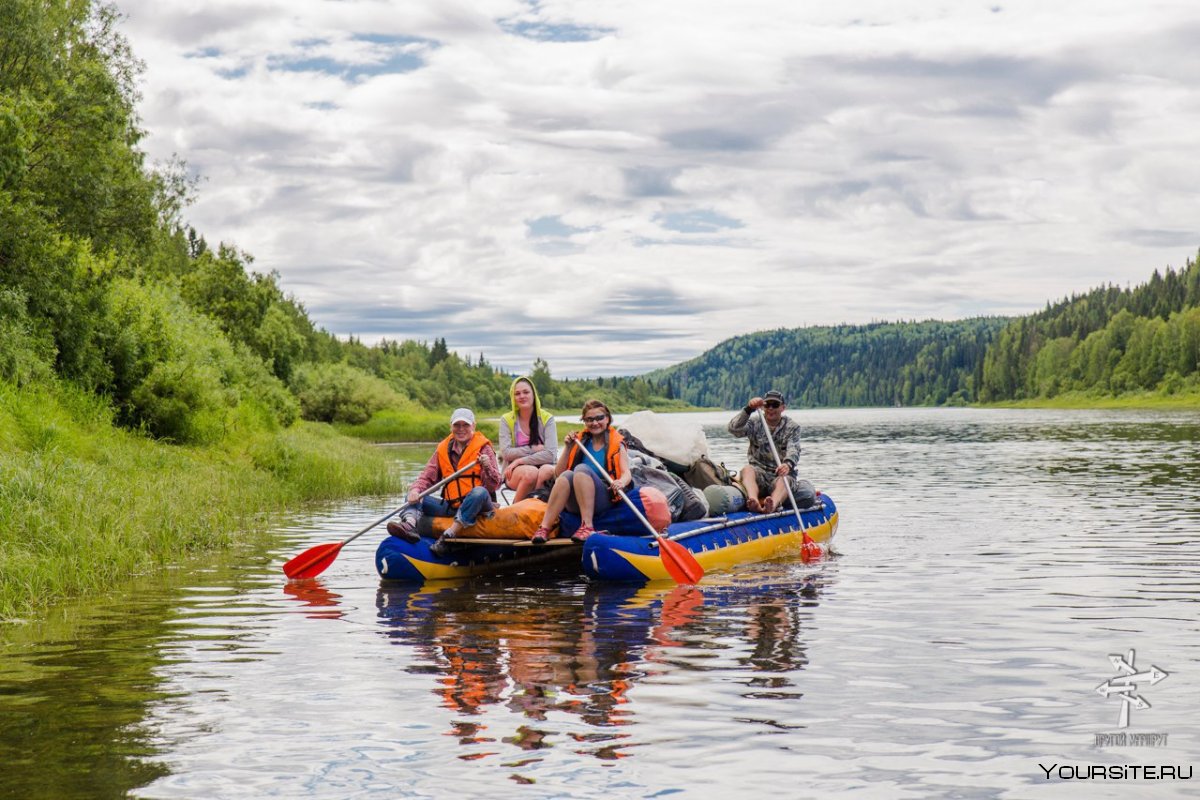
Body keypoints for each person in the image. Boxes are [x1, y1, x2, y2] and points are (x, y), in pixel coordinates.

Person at [390, 407, 502, 556]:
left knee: (479, 492)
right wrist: (416, 490)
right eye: (457, 425)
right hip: (452, 506)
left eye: (465, 425)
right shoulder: (443, 448)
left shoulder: (484, 449)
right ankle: (409, 525)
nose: (461, 429)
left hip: (480, 507)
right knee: (414, 494)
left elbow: (494, 485)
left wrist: (487, 467)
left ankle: (449, 535)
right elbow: (427, 477)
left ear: (473, 426)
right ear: (451, 427)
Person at [532, 399, 632, 544]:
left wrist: (621, 482)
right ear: (584, 421)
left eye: (599, 418)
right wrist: (567, 447)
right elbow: (558, 474)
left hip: (603, 498)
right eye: (589, 419)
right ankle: (544, 528)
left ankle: (587, 526)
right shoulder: (579, 441)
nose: (595, 423)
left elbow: (626, 473)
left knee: (581, 469)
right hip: (576, 501)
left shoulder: (617, 443)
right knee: (567, 474)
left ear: (608, 418)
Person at [727, 390, 816, 513]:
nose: (771, 408)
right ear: (763, 407)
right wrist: (748, 409)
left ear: (783, 408)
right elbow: (733, 429)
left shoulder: (792, 427)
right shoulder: (755, 423)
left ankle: (772, 506)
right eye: (767, 405)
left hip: (779, 474)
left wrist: (787, 464)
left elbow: (794, 448)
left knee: (789, 482)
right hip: (759, 474)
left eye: (775, 405)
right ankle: (753, 501)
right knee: (747, 470)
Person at [497, 376, 558, 502]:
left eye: (526, 392)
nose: (522, 396)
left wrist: (520, 460)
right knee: (530, 473)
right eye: (517, 393)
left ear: (533, 394)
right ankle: (515, 513)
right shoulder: (506, 420)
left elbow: (550, 455)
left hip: (542, 466)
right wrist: (533, 449)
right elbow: (507, 453)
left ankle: (536, 513)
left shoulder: (548, 419)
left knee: (548, 471)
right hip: (514, 471)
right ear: (513, 397)